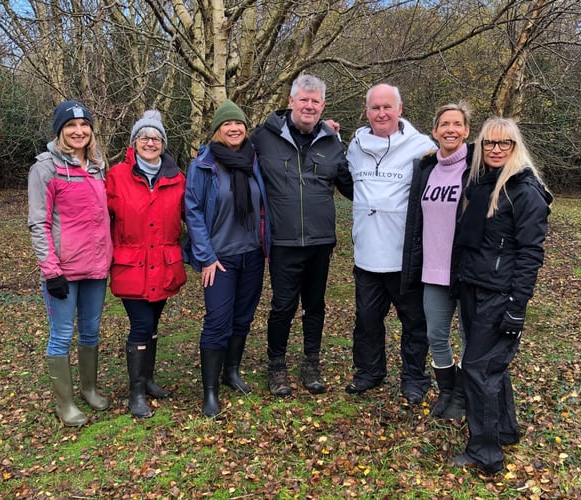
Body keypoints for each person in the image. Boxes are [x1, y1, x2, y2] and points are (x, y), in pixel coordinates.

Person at [450, 117, 552, 474]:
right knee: (491, 367)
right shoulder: (479, 183)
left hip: (500, 295)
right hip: (472, 288)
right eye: (489, 144)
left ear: (514, 147)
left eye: (503, 144)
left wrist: (516, 307)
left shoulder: (525, 191)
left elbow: (530, 254)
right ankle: (504, 430)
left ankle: (485, 453)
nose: (495, 150)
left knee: (479, 369)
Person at [251, 74, 353, 396]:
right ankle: (276, 365)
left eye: (315, 101)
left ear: (322, 106)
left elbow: (351, 186)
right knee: (283, 306)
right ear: (291, 101)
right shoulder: (263, 137)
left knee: (315, 304)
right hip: (283, 241)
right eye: (303, 100)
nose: (309, 106)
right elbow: (233, 157)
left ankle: (311, 362)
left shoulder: (332, 142)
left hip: (321, 241)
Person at [345, 83, 436, 404]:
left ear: (399, 109)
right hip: (367, 256)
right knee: (367, 322)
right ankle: (370, 371)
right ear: (366, 111)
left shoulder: (422, 147)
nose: (381, 113)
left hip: (405, 258)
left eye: (387, 107)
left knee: (414, 323)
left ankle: (414, 378)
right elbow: (346, 182)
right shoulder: (354, 146)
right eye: (374, 107)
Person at [28, 100, 112, 426]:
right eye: (71, 126)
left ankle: (89, 389)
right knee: (62, 334)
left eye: (84, 125)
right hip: (63, 271)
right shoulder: (45, 168)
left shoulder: (96, 166)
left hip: (96, 268)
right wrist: (51, 271)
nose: (79, 131)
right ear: (60, 131)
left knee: (90, 332)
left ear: (91, 130)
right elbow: (39, 223)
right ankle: (66, 404)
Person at [184, 100, 271, 417]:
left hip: (252, 254)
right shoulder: (203, 164)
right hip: (219, 259)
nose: (234, 129)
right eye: (227, 124)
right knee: (217, 321)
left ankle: (231, 372)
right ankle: (209, 391)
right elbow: (192, 212)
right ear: (217, 130)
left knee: (243, 317)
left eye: (239, 124)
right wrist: (205, 256)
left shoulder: (254, 160)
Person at [107, 110, 187, 418]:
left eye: (155, 137)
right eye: (144, 137)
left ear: (163, 143)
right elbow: (102, 220)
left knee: (153, 325)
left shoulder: (176, 178)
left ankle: (149, 380)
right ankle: (136, 392)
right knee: (140, 325)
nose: (150, 142)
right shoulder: (117, 176)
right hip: (131, 266)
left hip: (164, 264)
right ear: (134, 142)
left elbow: (190, 217)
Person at [401, 102, 473, 418]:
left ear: (467, 131)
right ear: (435, 131)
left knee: (470, 340)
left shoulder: (477, 168)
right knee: (436, 337)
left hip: (467, 271)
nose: (451, 130)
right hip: (433, 270)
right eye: (444, 124)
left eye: (457, 124)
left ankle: (463, 397)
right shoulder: (426, 168)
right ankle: (447, 391)